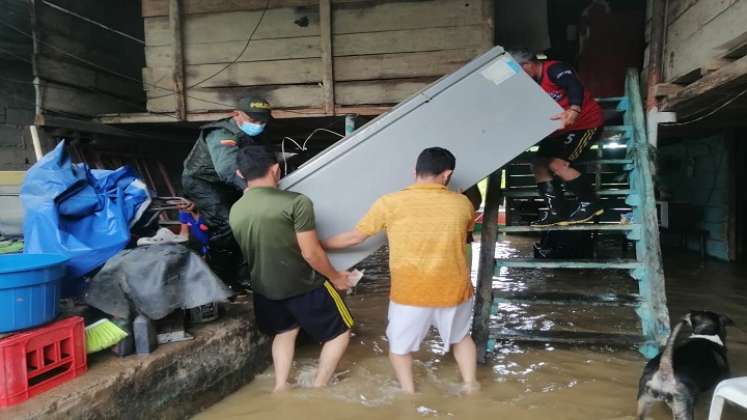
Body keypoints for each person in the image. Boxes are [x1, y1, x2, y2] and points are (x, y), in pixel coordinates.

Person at [322, 147, 478, 394]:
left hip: (411, 292)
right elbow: (467, 230)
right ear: (447, 174)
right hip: (455, 289)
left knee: (400, 348)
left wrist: (316, 245)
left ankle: (409, 393)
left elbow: (355, 237)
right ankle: (471, 387)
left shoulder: (390, 202)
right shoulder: (462, 204)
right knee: (461, 338)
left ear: (414, 172)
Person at [229, 145, 354, 392]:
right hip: (303, 285)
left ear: (240, 174)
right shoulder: (296, 202)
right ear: (276, 169)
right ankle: (320, 386)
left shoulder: (236, 210)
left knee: (285, 332)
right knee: (340, 332)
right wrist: (336, 277)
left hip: (264, 289)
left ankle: (280, 386)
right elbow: (311, 252)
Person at [181, 97, 272, 288]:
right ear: (236, 114)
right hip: (203, 182)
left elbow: (264, 158)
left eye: (262, 121)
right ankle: (220, 280)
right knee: (226, 226)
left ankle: (243, 273)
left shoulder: (255, 134)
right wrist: (252, 189)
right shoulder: (220, 134)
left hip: (229, 184)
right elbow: (227, 168)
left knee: (246, 221)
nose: (258, 125)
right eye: (253, 120)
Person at [511, 49, 605, 226]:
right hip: (557, 130)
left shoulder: (554, 69)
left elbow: (573, 85)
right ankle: (556, 211)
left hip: (584, 125)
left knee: (556, 164)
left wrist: (574, 108)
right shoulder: (528, 85)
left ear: (528, 65)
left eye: (519, 72)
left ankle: (590, 203)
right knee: (539, 165)